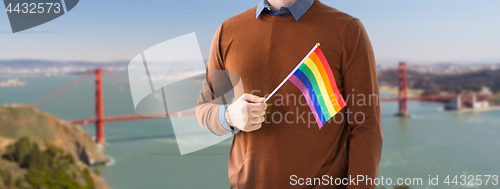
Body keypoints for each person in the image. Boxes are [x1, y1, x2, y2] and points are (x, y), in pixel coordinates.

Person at [196, 0, 382, 188]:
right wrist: (229, 117)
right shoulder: (227, 31)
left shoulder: (347, 30)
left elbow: (366, 126)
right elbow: (203, 109)